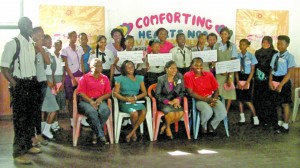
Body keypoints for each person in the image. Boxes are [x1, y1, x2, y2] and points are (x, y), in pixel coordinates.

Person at [1, 17, 41, 164]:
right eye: (27, 24)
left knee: (30, 117)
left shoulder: (31, 44)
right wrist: (15, 84)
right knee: (20, 120)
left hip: (31, 83)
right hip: (20, 84)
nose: (30, 27)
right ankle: (18, 153)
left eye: (31, 24)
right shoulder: (13, 43)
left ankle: (28, 146)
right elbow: (4, 68)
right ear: (20, 26)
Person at [184, 57, 227, 135]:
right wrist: (207, 100)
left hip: (211, 97)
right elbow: (191, 92)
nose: (198, 67)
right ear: (192, 66)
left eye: (200, 65)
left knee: (223, 112)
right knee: (208, 111)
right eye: (196, 65)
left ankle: (212, 125)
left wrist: (214, 100)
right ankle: (203, 125)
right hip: (198, 99)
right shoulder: (188, 75)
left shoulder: (209, 75)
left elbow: (216, 89)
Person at [77, 58, 111, 144]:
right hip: (86, 101)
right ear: (91, 67)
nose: (99, 67)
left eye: (101, 65)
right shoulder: (84, 78)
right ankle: (100, 135)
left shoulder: (105, 78)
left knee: (105, 111)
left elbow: (108, 93)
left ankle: (94, 127)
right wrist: (90, 101)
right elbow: (81, 93)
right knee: (92, 112)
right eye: (97, 65)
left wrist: (101, 98)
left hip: (100, 100)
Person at [113, 60, 147, 142]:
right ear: (124, 69)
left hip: (136, 100)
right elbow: (115, 93)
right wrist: (125, 99)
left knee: (143, 111)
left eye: (132, 66)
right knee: (134, 113)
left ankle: (132, 132)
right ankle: (134, 133)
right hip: (125, 101)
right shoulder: (119, 78)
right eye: (128, 67)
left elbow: (145, 92)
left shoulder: (139, 78)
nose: (130, 68)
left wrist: (135, 98)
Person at [269, 35, 296, 134]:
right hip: (274, 79)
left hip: (284, 80)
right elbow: (271, 69)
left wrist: (281, 85)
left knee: (285, 103)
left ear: (287, 45)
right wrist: (270, 81)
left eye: (282, 44)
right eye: (278, 43)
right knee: (277, 103)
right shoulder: (275, 55)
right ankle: (279, 123)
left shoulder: (290, 57)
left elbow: (289, 73)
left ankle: (285, 125)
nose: (279, 45)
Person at [61, 31, 88, 127]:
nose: (74, 38)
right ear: (68, 37)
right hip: (70, 76)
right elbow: (65, 65)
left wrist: (84, 75)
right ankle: (72, 119)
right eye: (72, 36)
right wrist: (72, 78)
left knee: (81, 97)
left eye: (75, 36)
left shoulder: (79, 48)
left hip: (80, 74)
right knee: (71, 99)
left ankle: (83, 118)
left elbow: (81, 62)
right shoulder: (65, 49)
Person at [31, 27, 51, 146]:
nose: (41, 37)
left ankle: (39, 134)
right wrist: (35, 49)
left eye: (43, 36)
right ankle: (32, 136)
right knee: (32, 110)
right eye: (39, 35)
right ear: (33, 34)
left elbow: (48, 62)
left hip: (42, 82)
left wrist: (41, 49)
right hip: (33, 82)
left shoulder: (43, 49)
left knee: (38, 110)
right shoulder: (29, 48)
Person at [155, 60, 185, 139]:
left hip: (175, 101)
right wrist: (168, 102)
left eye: (175, 68)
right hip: (163, 102)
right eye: (171, 68)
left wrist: (177, 99)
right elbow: (157, 95)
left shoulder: (179, 77)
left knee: (181, 113)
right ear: (166, 69)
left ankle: (164, 126)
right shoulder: (161, 79)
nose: (174, 70)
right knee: (171, 113)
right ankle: (168, 128)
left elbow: (182, 92)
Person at [253, 36, 277, 126]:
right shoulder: (257, 52)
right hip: (259, 79)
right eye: (263, 42)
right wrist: (257, 75)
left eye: (267, 42)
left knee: (269, 100)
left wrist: (268, 77)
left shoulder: (275, 53)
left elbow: (274, 67)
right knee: (259, 99)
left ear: (270, 43)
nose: (265, 44)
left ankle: (269, 120)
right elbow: (255, 65)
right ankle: (259, 119)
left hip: (269, 79)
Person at [235, 39, 259, 126]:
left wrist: (247, 81)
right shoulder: (237, 56)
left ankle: (255, 118)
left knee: (247, 99)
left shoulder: (251, 56)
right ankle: (242, 118)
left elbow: (252, 70)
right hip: (239, 76)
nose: (242, 46)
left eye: (244, 44)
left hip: (248, 77)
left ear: (247, 45)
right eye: (240, 44)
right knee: (239, 99)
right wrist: (237, 81)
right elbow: (236, 71)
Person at [41, 34, 60, 139]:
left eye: (50, 40)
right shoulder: (41, 52)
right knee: (53, 108)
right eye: (48, 40)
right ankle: (46, 130)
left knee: (47, 107)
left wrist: (52, 82)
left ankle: (44, 129)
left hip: (49, 81)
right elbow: (40, 70)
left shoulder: (49, 53)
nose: (50, 42)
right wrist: (47, 82)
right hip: (44, 82)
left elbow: (52, 70)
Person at [215, 27, 238, 112]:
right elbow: (215, 59)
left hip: (230, 72)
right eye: (222, 34)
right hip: (219, 73)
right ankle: (219, 111)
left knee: (229, 92)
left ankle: (226, 111)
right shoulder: (216, 45)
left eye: (226, 34)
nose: (224, 36)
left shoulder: (232, 46)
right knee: (219, 92)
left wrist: (229, 74)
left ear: (228, 35)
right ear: (220, 35)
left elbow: (233, 60)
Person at [51, 40, 66, 132]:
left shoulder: (62, 58)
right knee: (53, 105)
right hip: (53, 82)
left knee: (59, 105)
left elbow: (64, 72)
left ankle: (56, 123)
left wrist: (62, 84)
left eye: (60, 45)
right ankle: (52, 124)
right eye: (57, 45)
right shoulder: (51, 56)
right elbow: (51, 71)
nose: (58, 47)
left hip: (61, 82)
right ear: (54, 45)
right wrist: (54, 84)